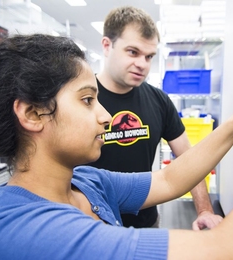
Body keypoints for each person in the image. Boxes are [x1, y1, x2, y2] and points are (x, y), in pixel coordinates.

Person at [0, 34, 233, 260]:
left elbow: (171, 178)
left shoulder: (84, 183)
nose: (105, 117)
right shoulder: (24, 234)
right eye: (88, 100)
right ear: (34, 114)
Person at [89, 5, 222, 229]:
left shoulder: (159, 101)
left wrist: (205, 210)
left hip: (145, 224)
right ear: (107, 45)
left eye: (149, 56)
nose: (142, 64)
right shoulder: (82, 99)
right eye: (133, 52)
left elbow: (189, 160)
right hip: (91, 226)